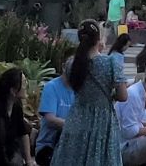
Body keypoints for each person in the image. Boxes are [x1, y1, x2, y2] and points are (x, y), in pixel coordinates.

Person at [53, 22, 132, 166]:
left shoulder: (72, 64)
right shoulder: (110, 63)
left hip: (77, 117)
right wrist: (110, 94)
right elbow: (123, 96)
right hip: (102, 121)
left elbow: (72, 86)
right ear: (98, 39)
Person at [35, 63, 76, 166]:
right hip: (49, 147)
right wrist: (76, 125)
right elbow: (50, 120)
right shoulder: (51, 87)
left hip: (72, 147)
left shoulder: (80, 90)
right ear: (63, 66)